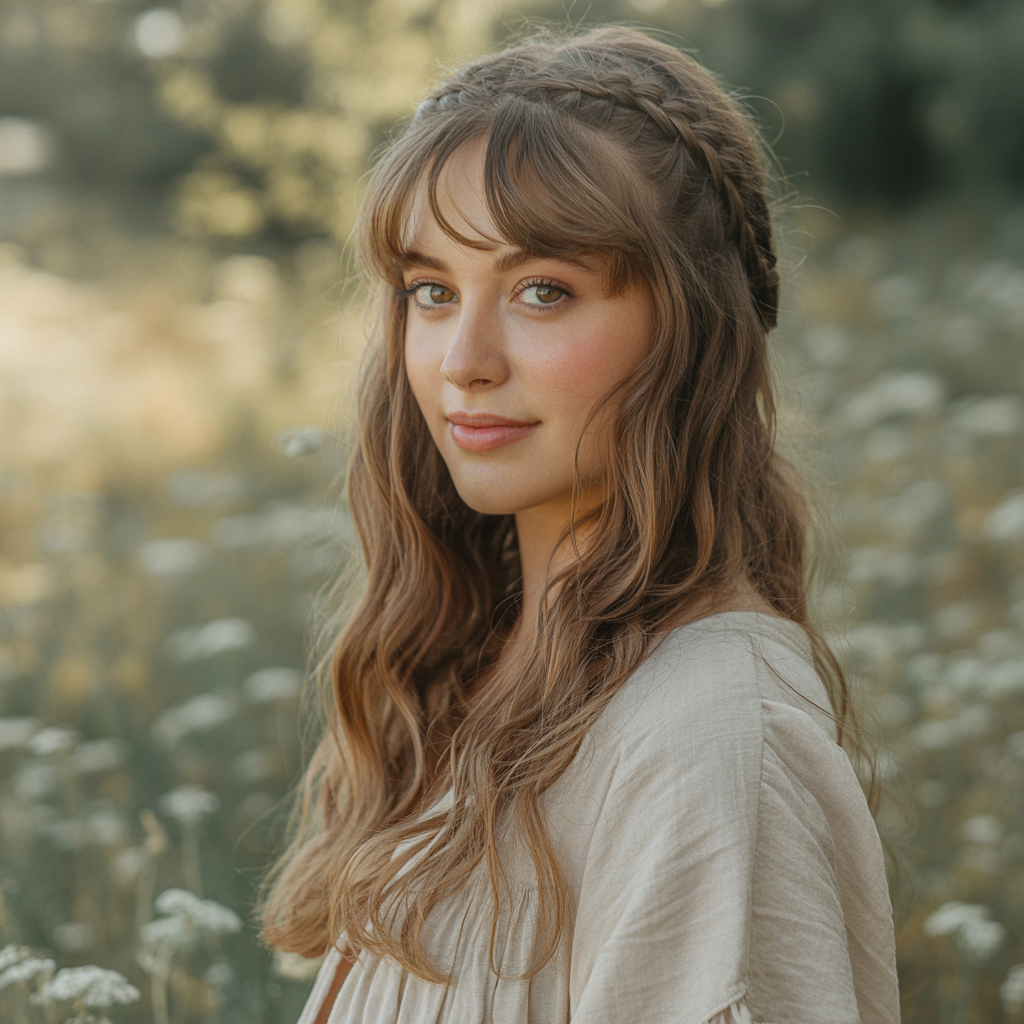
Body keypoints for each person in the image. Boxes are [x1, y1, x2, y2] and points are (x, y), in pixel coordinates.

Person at [260, 25, 901, 1024]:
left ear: (693, 327)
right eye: (432, 291)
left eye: (542, 291)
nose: (462, 360)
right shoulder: (480, 677)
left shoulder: (709, 740)